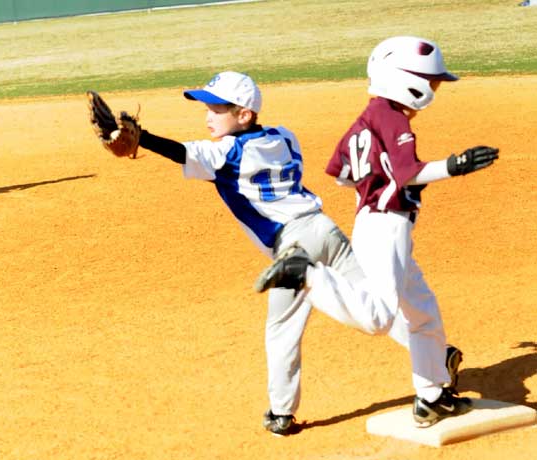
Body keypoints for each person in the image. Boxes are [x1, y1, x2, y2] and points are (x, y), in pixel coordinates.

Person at [118, 70, 459, 436]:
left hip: (294, 245)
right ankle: (438, 358)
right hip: (325, 229)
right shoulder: (283, 136)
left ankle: (281, 413)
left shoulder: (225, 153)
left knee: (282, 329)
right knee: (375, 304)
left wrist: (146, 138)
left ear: (244, 114)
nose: (208, 116)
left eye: (217, 109)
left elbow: (183, 152)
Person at [320, 36, 499, 427]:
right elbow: (409, 173)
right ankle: (308, 278)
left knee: (423, 314)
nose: (433, 88)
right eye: (429, 80)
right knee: (380, 316)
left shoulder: (369, 116)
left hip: (378, 224)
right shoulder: (392, 117)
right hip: (386, 228)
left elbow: (340, 174)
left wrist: (375, 189)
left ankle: (432, 396)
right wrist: (456, 165)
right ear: (404, 79)